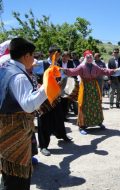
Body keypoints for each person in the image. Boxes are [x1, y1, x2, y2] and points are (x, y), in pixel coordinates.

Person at [0, 37, 48, 190]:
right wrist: (48, 87)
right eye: (33, 55)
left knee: (8, 175)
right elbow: (28, 105)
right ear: (26, 56)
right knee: (17, 179)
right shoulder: (18, 76)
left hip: (6, 132)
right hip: (16, 134)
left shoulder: (5, 68)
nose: (34, 59)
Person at [63, 50, 116, 135]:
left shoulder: (95, 67)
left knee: (96, 104)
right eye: (87, 57)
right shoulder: (81, 67)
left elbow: (103, 70)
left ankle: (98, 122)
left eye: (90, 57)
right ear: (85, 58)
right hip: (85, 88)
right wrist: (64, 70)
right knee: (84, 105)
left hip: (94, 88)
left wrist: (114, 71)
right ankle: (82, 126)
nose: (89, 58)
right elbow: (74, 71)